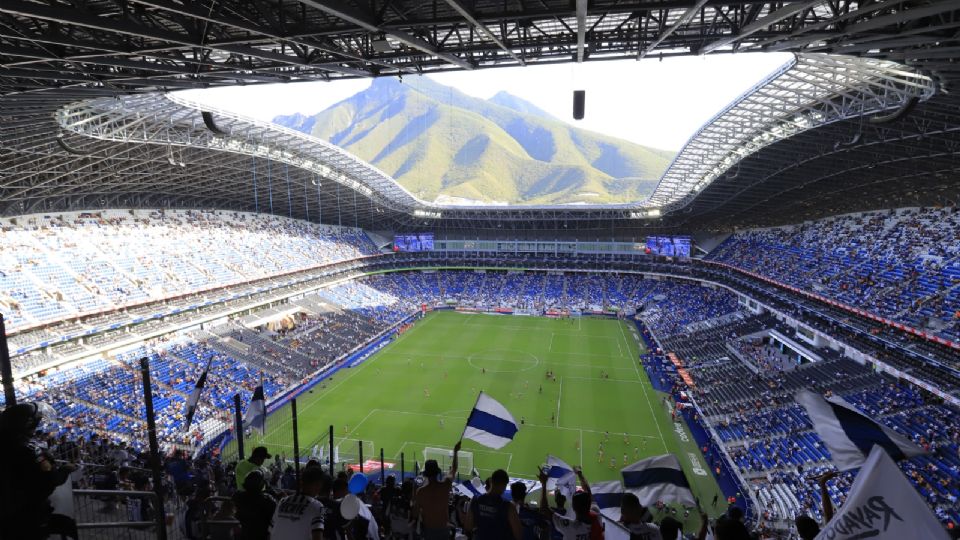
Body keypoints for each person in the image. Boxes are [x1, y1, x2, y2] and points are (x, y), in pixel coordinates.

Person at [0, 403, 74, 540]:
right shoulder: (30, 451)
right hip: (26, 515)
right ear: (27, 424)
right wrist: (65, 470)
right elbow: (50, 480)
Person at [538, 466, 602, 540]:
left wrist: (543, 483)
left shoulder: (569, 526)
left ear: (573, 507)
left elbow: (544, 509)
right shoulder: (596, 515)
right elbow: (588, 492)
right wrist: (580, 475)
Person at [413, 440, 460, 540]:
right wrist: (455, 451)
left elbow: (415, 513)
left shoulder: (421, 492)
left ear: (426, 474)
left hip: (428, 530)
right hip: (443, 529)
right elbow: (454, 469)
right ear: (437, 472)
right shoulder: (445, 486)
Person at [270, 466, 327, 539]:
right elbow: (317, 537)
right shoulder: (317, 506)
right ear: (318, 485)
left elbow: (270, 531)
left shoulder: (282, 501)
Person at [463, 469, 522, 540]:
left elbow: (468, 526)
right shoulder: (508, 506)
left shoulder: (475, 500)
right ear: (504, 486)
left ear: (491, 481)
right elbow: (518, 535)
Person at [233, 470, 276, 540]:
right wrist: (268, 488)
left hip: (242, 534)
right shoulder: (267, 500)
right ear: (261, 484)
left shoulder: (237, 496)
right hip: (260, 536)